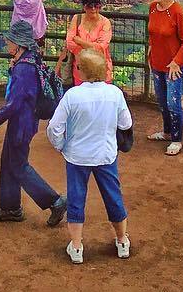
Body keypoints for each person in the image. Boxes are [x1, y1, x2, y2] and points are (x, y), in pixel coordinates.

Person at [46, 49, 132, 264]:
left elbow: (54, 127)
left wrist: (61, 146)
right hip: (105, 155)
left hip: (77, 156)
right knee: (113, 196)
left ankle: (76, 247)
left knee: (76, 199)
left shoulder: (72, 96)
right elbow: (126, 124)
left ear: (81, 70)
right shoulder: (115, 93)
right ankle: (122, 241)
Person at [0, 19, 67, 226]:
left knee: (18, 165)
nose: (6, 43)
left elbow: (14, 103)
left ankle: (53, 201)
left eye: (10, 40)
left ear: (19, 44)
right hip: (26, 122)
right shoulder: (30, 60)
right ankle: (10, 208)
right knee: (9, 162)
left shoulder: (23, 69)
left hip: (21, 124)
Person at [146, 0, 183, 156]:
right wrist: (150, 52)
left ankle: (176, 139)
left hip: (173, 66)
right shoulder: (152, 8)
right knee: (162, 102)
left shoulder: (178, 12)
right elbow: (152, 33)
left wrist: (176, 62)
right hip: (156, 63)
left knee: (173, 103)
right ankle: (166, 132)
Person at [57, 0, 113, 85]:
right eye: (90, 6)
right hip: (80, 70)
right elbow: (70, 42)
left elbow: (101, 47)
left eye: (96, 6)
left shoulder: (105, 22)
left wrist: (79, 41)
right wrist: (92, 46)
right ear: (84, 7)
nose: (93, 9)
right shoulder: (77, 18)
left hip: (101, 70)